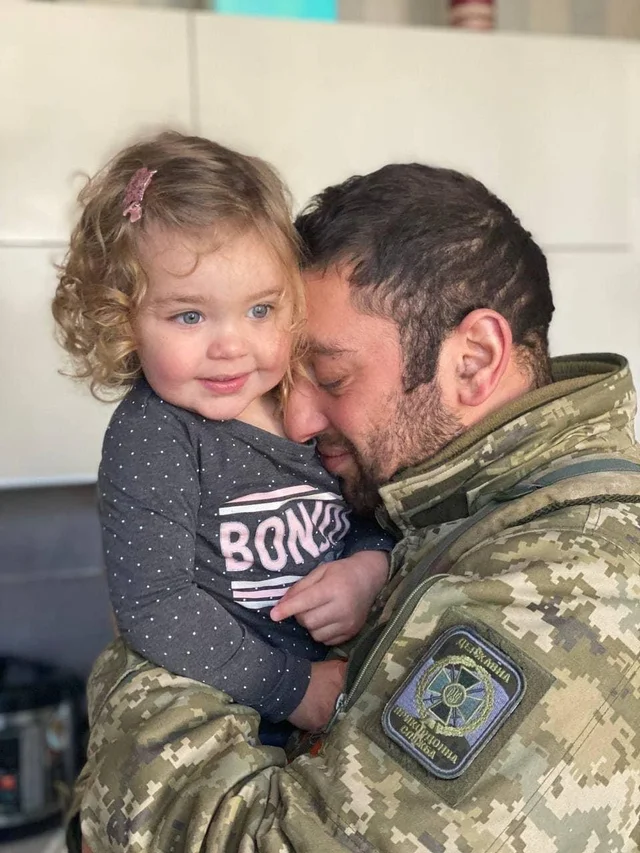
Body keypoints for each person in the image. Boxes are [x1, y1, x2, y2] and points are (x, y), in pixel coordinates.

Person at [68, 162, 640, 853]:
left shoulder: (559, 594)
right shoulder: (451, 498)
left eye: (332, 375)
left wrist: (142, 662)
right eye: (289, 379)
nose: (298, 421)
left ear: (473, 359)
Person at [51, 131, 392, 743]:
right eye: (189, 315)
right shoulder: (154, 433)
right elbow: (157, 610)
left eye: (260, 309)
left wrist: (368, 566)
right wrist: (296, 689)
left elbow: (369, 499)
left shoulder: (304, 392)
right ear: (121, 317)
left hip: (347, 700)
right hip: (237, 724)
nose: (231, 345)